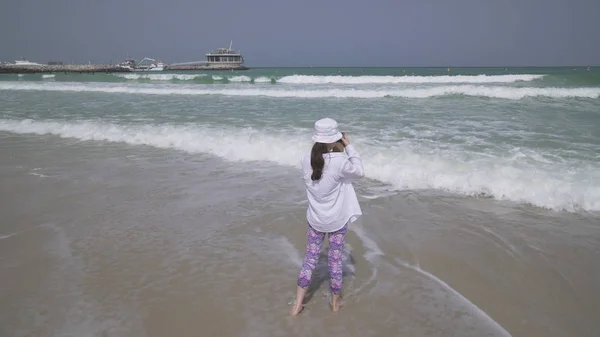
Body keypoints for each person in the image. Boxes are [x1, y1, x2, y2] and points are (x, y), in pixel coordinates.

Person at [291, 117, 365, 316]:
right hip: (336, 222)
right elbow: (359, 172)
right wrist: (349, 147)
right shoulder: (340, 162)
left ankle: (297, 305)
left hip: (315, 220)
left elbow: (320, 173)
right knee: (334, 261)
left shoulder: (306, 159)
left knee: (309, 260)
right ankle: (334, 304)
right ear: (335, 139)